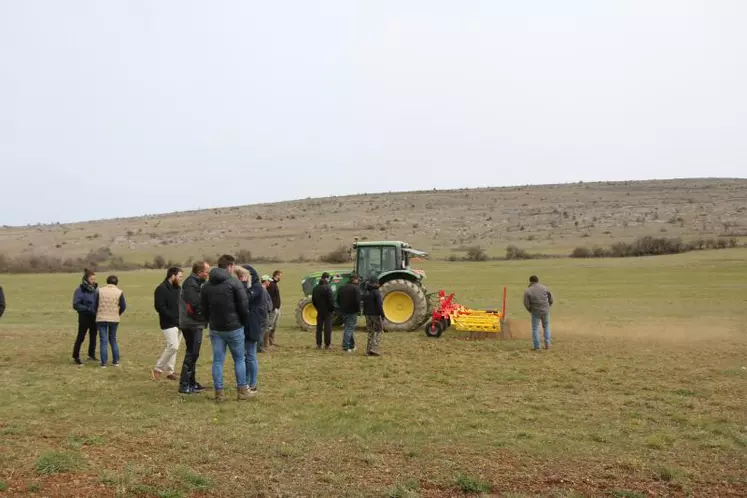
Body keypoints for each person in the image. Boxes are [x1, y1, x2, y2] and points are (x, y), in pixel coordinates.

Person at [201, 254, 250, 402]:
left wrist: (209, 321)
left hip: (216, 329)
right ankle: (242, 391)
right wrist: (243, 322)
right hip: (235, 328)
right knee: (239, 360)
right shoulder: (234, 283)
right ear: (230, 266)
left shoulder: (206, 286)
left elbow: (204, 308)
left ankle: (219, 393)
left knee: (217, 361)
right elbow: (244, 306)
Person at [177, 261, 210, 394]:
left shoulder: (197, 283)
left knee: (194, 353)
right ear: (199, 272)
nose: (208, 274)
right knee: (192, 353)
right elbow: (195, 304)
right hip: (191, 323)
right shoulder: (190, 283)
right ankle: (184, 385)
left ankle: (192, 382)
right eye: (207, 271)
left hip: (195, 322)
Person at [152, 267, 183, 381]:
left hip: (180, 323)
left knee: (175, 348)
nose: (180, 279)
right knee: (173, 346)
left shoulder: (178, 288)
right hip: (168, 323)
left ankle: (170, 371)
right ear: (173, 276)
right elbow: (159, 307)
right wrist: (173, 317)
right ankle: (158, 369)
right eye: (179, 277)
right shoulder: (161, 289)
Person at [237, 265, 264, 394]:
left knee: (251, 355)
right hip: (244, 324)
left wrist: (242, 283)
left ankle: (252, 383)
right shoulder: (249, 287)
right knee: (244, 356)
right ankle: (245, 382)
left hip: (252, 325)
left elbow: (246, 298)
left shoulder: (257, 287)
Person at [95, 275, 127, 368]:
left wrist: (98, 312)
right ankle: (115, 361)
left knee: (103, 340)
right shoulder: (119, 292)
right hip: (114, 318)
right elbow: (123, 306)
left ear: (107, 281)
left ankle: (103, 363)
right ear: (116, 283)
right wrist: (118, 313)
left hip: (101, 318)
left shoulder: (100, 291)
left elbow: (95, 304)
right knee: (113, 339)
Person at [72, 268, 99, 366]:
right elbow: (76, 304)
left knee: (93, 335)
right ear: (86, 279)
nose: (93, 281)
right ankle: (76, 356)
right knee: (81, 336)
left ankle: (91, 354)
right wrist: (88, 309)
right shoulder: (80, 290)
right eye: (92, 279)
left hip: (94, 316)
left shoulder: (95, 290)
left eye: (94, 279)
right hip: (84, 316)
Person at [523, 275, 553, 351]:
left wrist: (530, 310)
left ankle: (537, 347)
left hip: (535, 311)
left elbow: (526, 303)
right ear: (537, 280)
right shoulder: (545, 287)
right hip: (545, 310)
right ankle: (547, 345)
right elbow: (551, 299)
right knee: (546, 326)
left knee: (535, 328)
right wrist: (548, 306)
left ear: (530, 281)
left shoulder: (528, 291)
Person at [338, 273, 361, 353]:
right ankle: (345, 346)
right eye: (358, 279)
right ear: (354, 279)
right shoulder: (356, 288)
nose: (359, 281)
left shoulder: (341, 288)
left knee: (348, 328)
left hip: (343, 311)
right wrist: (358, 310)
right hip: (352, 311)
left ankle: (352, 345)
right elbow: (358, 301)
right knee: (349, 328)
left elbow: (338, 300)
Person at [312, 272, 335, 350]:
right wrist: (332, 309)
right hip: (328, 311)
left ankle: (318, 344)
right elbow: (331, 300)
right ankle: (327, 345)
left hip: (319, 311)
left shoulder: (315, 288)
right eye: (328, 278)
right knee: (327, 328)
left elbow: (313, 301)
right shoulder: (328, 288)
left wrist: (318, 308)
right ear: (326, 278)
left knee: (319, 328)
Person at [362, 276, 384, 356]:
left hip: (367, 315)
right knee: (379, 331)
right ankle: (374, 349)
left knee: (370, 332)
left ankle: (368, 350)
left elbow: (364, 304)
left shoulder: (366, 292)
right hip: (375, 314)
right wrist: (382, 315)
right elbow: (379, 305)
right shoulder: (376, 292)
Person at [266, 270, 282, 346]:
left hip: (276, 308)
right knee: (270, 325)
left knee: (274, 326)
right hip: (273, 309)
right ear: (276, 275)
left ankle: (271, 342)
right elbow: (270, 297)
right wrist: (273, 307)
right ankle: (267, 343)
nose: (280, 277)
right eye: (280, 276)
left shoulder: (274, 284)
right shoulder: (272, 285)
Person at [260, 275, 274, 351]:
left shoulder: (264, 289)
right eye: (269, 281)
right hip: (264, 313)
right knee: (264, 330)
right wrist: (268, 309)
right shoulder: (263, 290)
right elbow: (264, 302)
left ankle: (264, 345)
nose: (269, 283)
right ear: (265, 281)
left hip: (265, 312)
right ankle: (262, 346)